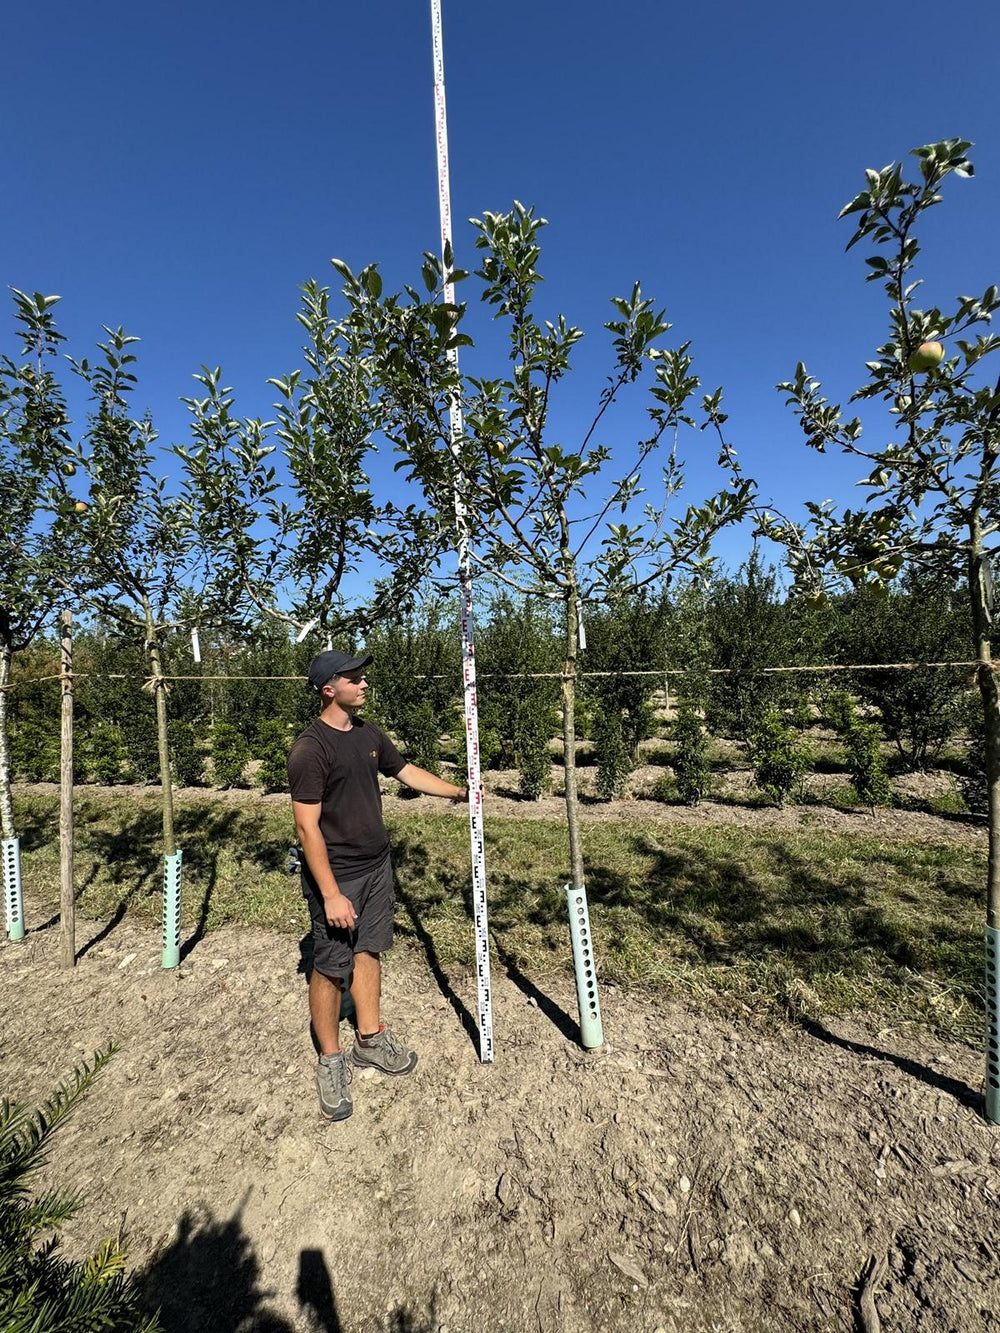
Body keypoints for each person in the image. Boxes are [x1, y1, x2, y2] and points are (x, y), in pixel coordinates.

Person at [287, 648, 468, 1122]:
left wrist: (460, 791)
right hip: (338, 875)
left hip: (376, 866)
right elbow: (307, 829)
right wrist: (330, 894)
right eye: (354, 679)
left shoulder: (368, 734)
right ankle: (330, 1059)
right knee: (329, 967)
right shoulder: (311, 749)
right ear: (329, 689)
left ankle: (369, 1038)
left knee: (369, 951)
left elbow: (405, 773)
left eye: (363, 677)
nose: (364, 684)